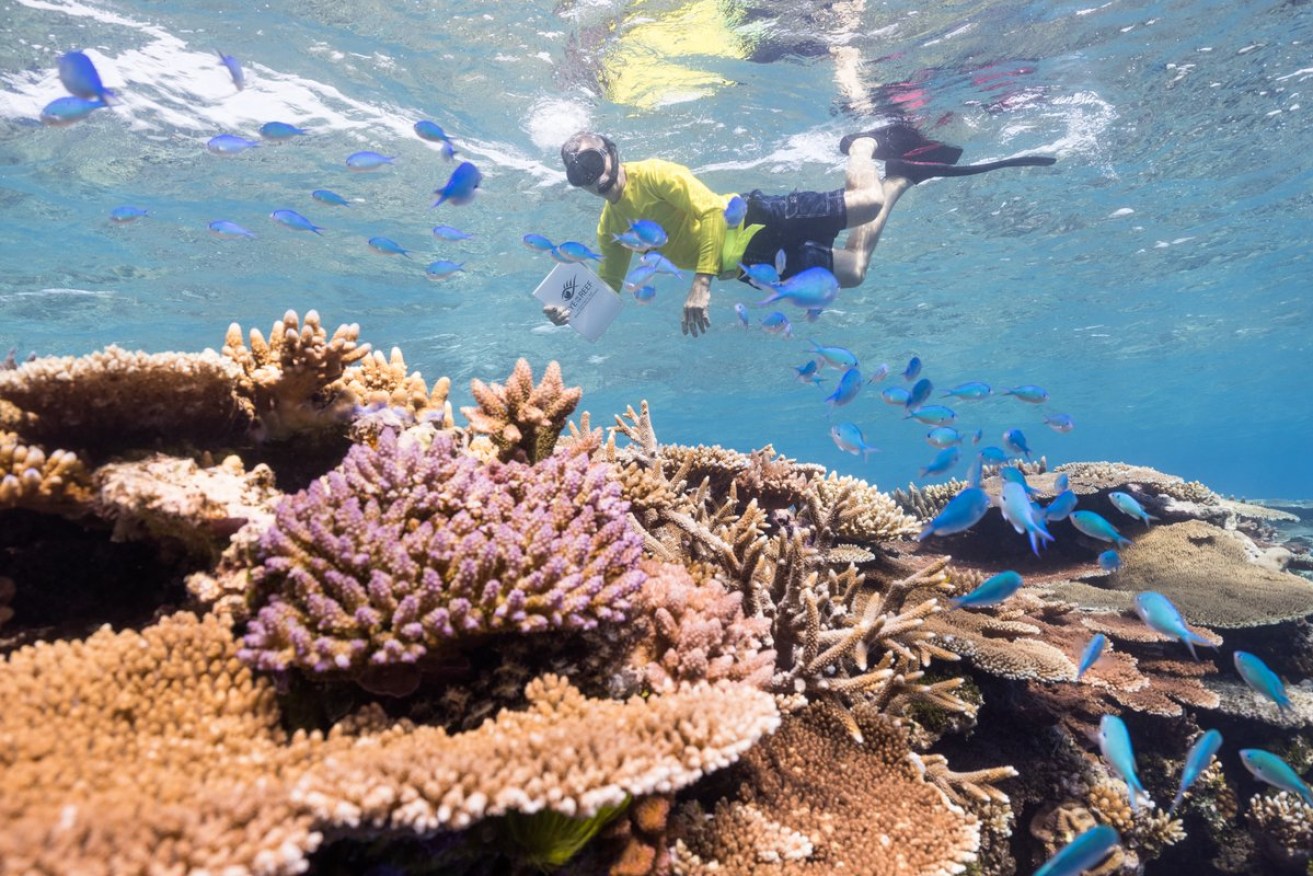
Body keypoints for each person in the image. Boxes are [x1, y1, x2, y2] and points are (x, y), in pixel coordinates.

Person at [544, 127, 1055, 337]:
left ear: (614, 152)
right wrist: (569, 311)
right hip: (748, 266)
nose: (602, 182)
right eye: (588, 180)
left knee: (865, 200)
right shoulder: (610, 225)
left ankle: (862, 146)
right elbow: (608, 285)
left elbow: (706, 215)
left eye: (602, 167)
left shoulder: (657, 173)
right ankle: (900, 176)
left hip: (759, 218)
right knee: (854, 271)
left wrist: (700, 282)